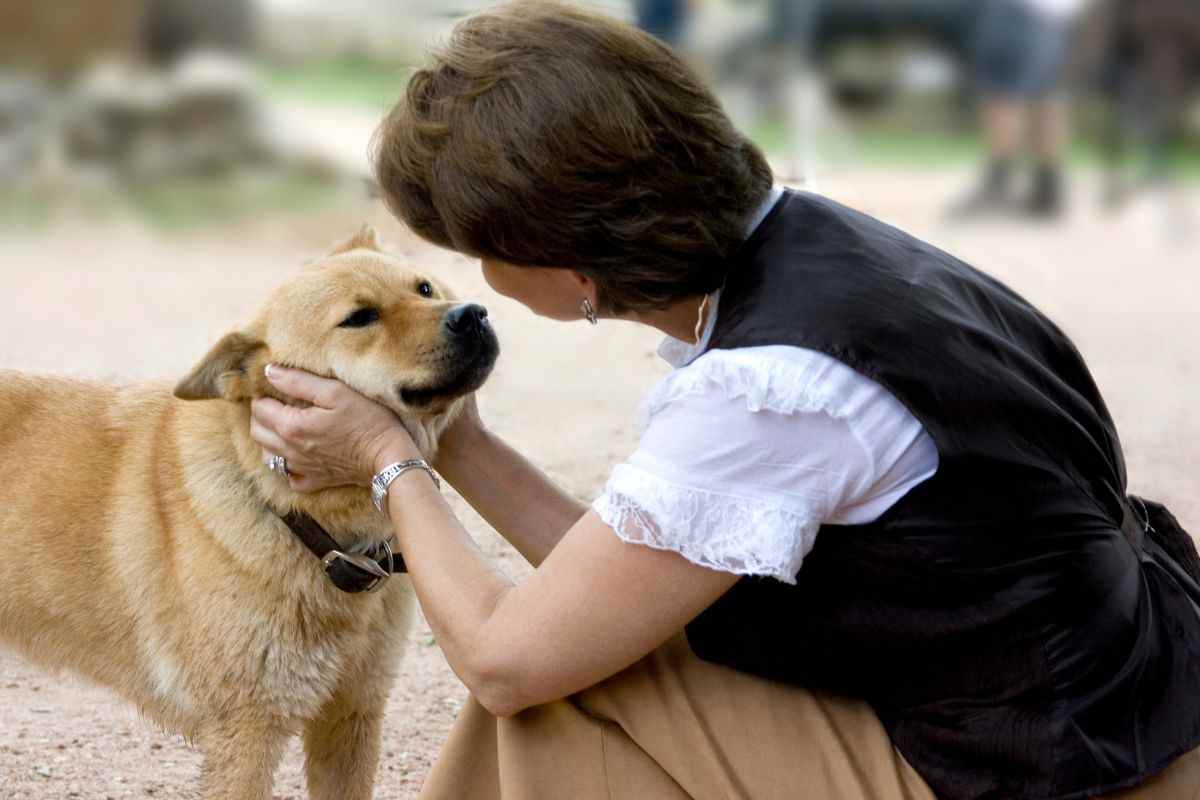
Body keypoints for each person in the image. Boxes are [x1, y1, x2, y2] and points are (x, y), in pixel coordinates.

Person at [249, 3, 1200, 798]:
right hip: (1112, 693)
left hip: (1062, 765)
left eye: (473, 253)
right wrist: (451, 440)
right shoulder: (821, 255)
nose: (471, 286)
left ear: (568, 260)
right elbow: (623, 581)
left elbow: (506, 660)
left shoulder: (772, 389)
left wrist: (390, 465)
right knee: (584, 655)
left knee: (545, 694)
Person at [953, 0, 1084, 218]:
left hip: (1019, 12)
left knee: (1003, 95)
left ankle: (998, 184)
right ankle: (1048, 188)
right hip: (1055, 17)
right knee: (1047, 96)